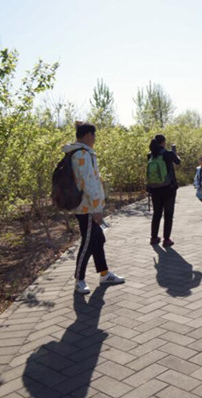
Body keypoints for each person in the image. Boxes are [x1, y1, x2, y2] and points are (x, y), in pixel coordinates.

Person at [62, 122, 125, 294]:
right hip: (87, 207)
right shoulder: (82, 154)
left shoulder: (77, 152)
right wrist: (97, 208)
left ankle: (104, 274)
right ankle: (79, 280)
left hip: (87, 206)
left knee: (98, 240)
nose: (95, 139)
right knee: (88, 242)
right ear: (89, 135)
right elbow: (89, 182)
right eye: (94, 135)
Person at [148, 134, 181, 246]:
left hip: (154, 188)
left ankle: (154, 238)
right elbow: (178, 162)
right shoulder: (168, 154)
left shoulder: (150, 155)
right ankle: (166, 239)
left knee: (157, 213)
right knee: (168, 214)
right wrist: (174, 153)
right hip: (168, 188)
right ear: (163, 142)